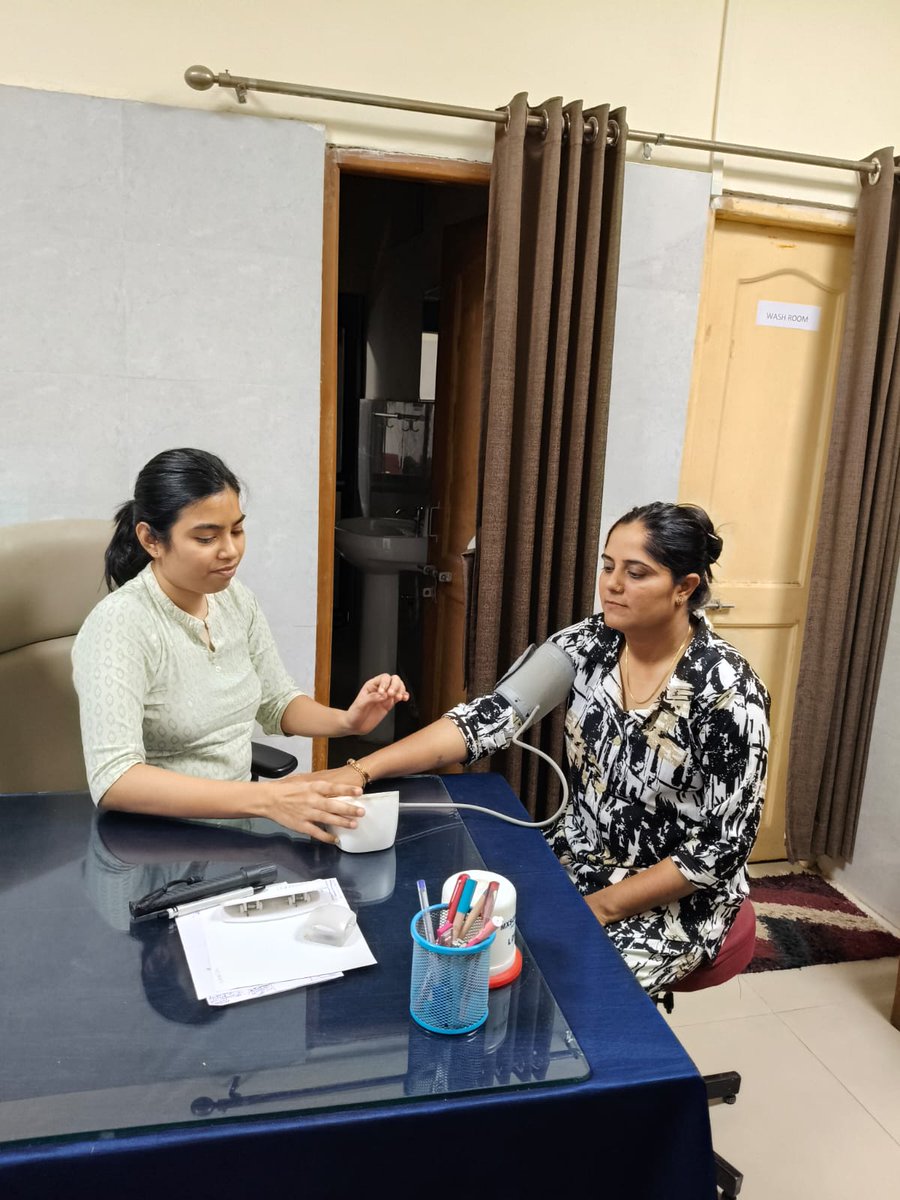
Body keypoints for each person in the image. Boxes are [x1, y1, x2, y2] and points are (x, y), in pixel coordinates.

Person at [316, 501, 770, 993]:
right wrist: (361, 769)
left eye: (637, 573)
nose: (612, 584)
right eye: (608, 566)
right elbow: (488, 718)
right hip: (576, 857)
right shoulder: (590, 643)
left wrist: (599, 908)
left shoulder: (728, 692)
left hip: (674, 899)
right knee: (466, 950)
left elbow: (721, 849)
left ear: (685, 588)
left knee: (550, 993)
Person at [72, 447, 408, 841]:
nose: (230, 550)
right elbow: (115, 780)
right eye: (206, 537)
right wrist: (265, 799)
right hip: (151, 841)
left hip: (238, 830)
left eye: (237, 530)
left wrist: (347, 721)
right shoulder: (119, 626)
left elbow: (276, 701)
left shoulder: (235, 600)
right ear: (151, 540)